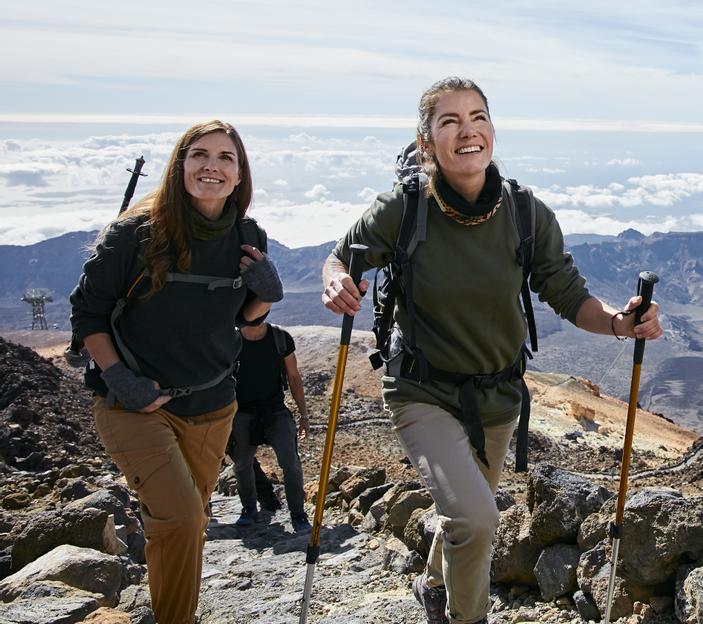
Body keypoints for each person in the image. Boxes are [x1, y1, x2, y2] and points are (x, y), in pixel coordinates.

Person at [322, 77, 662, 624]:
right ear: (427, 141)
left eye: (477, 117)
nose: (467, 131)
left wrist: (624, 324)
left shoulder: (525, 214)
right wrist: (337, 281)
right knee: (478, 519)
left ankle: (435, 586)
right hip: (420, 390)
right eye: (449, 121)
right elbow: (340, 259)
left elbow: (570, 297)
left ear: (493, 130)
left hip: (499, 398)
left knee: (466, 515)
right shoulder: (402, 210)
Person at [70, 120, 283, 624]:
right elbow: (87, 314)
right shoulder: (134, 235)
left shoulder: (248, 236)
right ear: (180, 165)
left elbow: (242, 322)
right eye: (200, 155)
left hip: (212, 405)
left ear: (239, 174)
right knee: (182, 517)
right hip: (134, 403)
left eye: (226, 158)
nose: (212, 166)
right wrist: (119, 376)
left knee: (184, 524)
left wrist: (263, 299)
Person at [229, 321, 311, 532]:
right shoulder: (230, 341)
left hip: (274, 411)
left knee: (290, 461)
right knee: (242, 463)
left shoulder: (280, 339)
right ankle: (249, 509)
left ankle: (298, 514)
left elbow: (293, 377)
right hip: (241, 412)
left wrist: (304, 415)